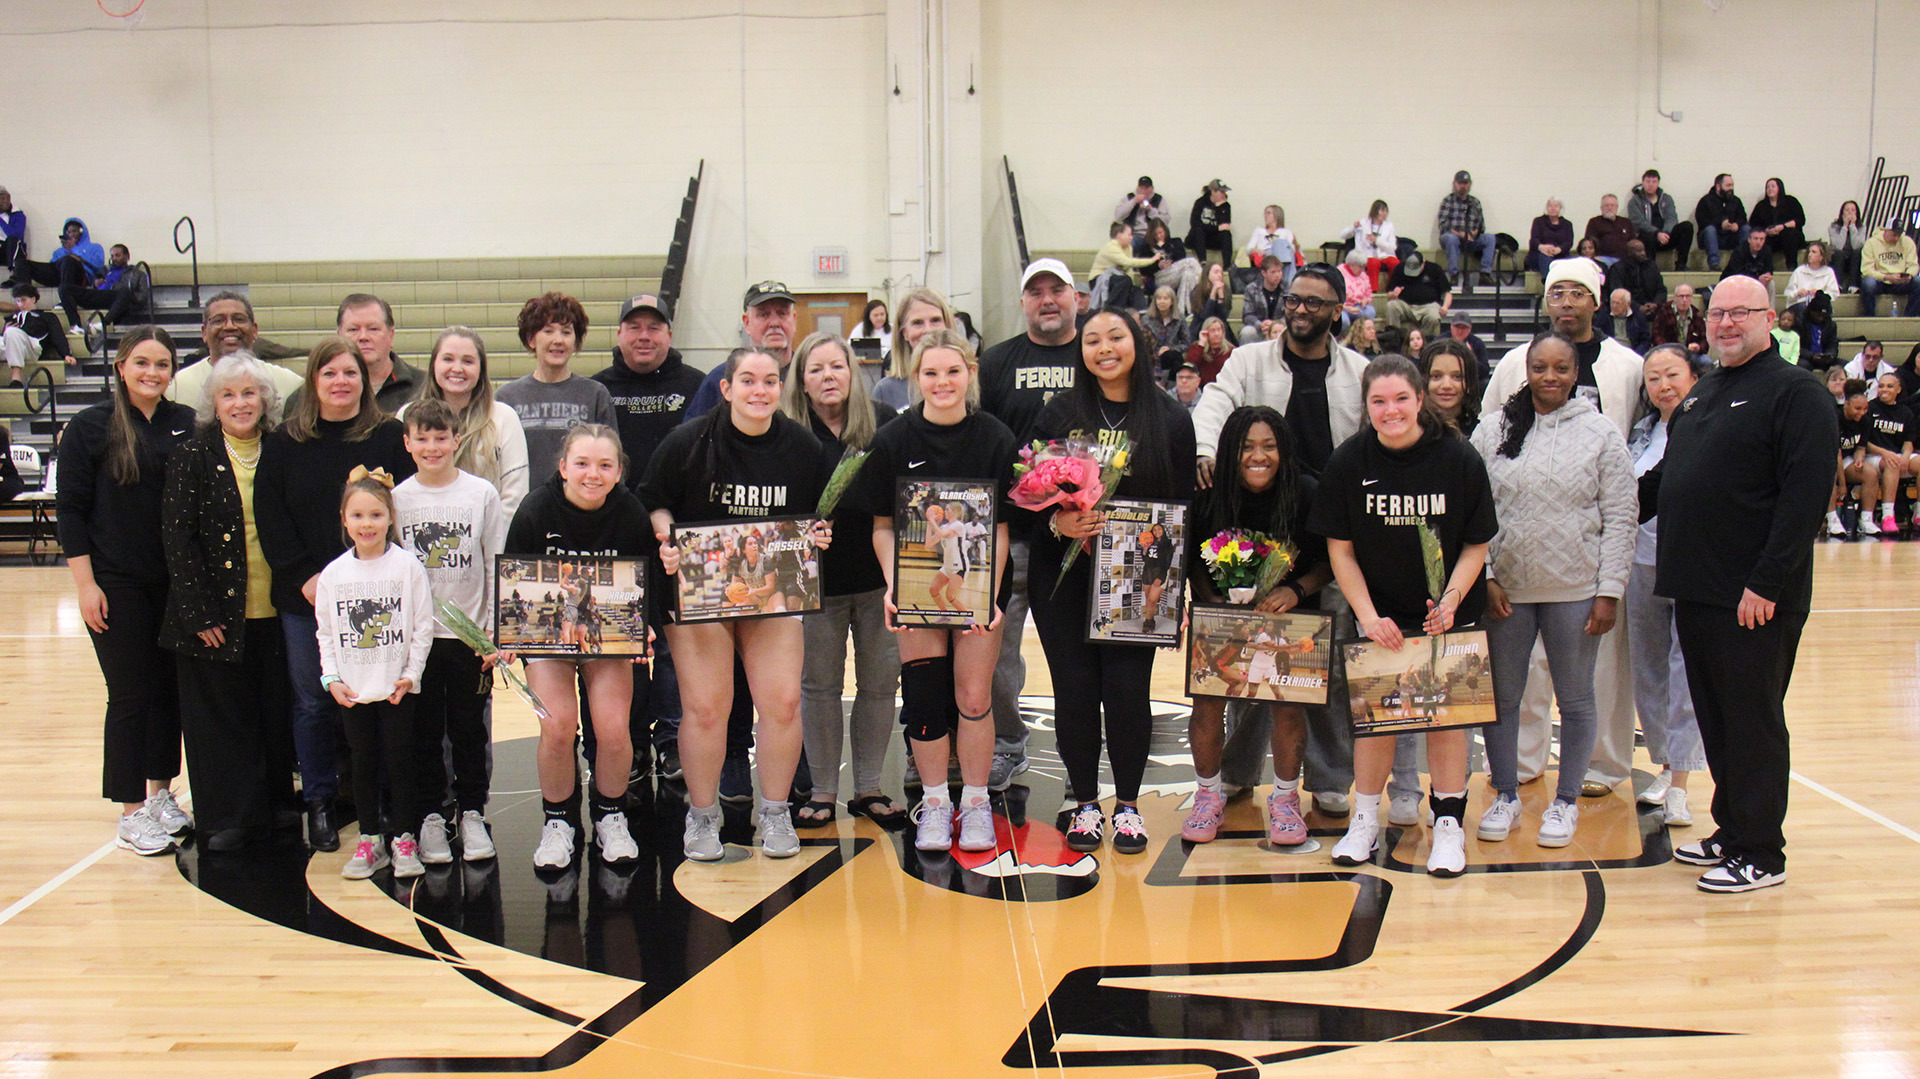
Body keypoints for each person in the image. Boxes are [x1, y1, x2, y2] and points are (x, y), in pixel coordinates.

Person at [1657, 274, 1837, 892]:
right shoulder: (1705, 391)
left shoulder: (1798, 394)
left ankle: (1761, 851)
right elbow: (1668, 480)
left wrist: (1767, 582)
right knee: (1717, 719)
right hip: (1698, 590)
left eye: (1741, 313)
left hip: (1753, 598)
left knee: (1752, 721)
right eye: (1717, 314)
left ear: (1769, 318)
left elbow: (1804, 500)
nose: (1726, 323)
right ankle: (1733, 831)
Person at [1192, 264, 1367, 816]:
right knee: (1249, 657)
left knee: (1326, 666)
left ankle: (1330, 777)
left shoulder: (1358, 371)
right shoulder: (1249, 360)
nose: (1301, 309)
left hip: (1326, 535)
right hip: (1255, 534)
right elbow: (1215, 402)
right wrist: (1205, 450)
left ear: (1337, 310)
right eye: (1294, 299)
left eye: (1314, 302)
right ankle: (1237, 772)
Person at [642, 350, 830, 861]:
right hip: (700, 588)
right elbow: (653, 499)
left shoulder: (803, 447)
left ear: (781, 389)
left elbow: (815, 517)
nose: (759, 390)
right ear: (726, 389)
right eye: (747, 380)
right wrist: (666, 535)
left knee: (783, 702)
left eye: (769, 381)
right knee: (706, 708)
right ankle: (702, 816)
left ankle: (775, 812)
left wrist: (819, 532)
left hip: (771, 589)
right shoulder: (688, 441)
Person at [1316, 356, 1496, 876]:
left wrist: (1452, 600)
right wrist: (1368, 616)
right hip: (1382, 619)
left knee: (1446, 721)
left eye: (1400, 399)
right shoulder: (1349, 462)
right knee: (1375, 725)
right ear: (1366, 405)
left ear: (1420, 399)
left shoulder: (1457, 458)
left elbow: (1477, 543)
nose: (1390, 410)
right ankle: (1364, 821)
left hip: (1449, 617)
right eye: (1378, 401)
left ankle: (1448, 825)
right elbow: (1340, 550)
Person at [1026, 308, 1196, 854]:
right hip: (1063, 580)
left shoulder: (1170, 418)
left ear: (1136, 345)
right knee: (1074, 691)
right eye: (1092, 339)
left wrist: (1175, 590)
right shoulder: (1059, 412)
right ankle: (1083, 803)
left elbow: (1184, 509)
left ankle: (1126, 806)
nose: (1104, 348)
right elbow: (1027, 494)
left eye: (1115, 337)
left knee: (1127, 691)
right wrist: (1058, 523)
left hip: (1138, 579)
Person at [1480, 257, 1642, 800]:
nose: (1567, 302)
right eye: (1557, 293)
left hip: (1580, 570)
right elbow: (1480, 488)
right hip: (1512, 576)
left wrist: (1609, 586)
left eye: (1578, 292)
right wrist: (1486, 572)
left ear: (1596, 301)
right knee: (1511, 691)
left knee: (1586, 688)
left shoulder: (1622, 377)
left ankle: (1593, 773)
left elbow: (1620, 508)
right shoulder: (1501, 406)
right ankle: (1517, 771)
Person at [853, 329, 1016, 853]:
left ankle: (976, 803)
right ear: (914, 377)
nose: (942, 382)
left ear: (970, 373)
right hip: (915, 591)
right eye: (930, 373)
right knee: (923, 697)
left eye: (952, 371)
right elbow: (883, 527)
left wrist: (989, 595)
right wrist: (894, 584)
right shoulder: (892, 441)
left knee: (973, 696)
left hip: (980, 588)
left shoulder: (995, 438)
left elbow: (1002, 530)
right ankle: (936, 802)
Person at [256, 337, 417, 852]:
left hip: (380, 598)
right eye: (329, 373)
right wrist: (307, 578)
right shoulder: (285, 442)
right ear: (313, 381)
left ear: (364, 380)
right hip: (306, 597)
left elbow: (404, 511)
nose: (340, 382)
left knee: (383, 698)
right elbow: (271, 516)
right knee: (314, 702)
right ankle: (320, 802)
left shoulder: (388, 436)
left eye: (349, 372)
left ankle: (385, 800)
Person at [58, 326, 196, 856]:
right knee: (131, 695)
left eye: (162, 364)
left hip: (173, 583)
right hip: (116, 584)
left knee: (168, 693)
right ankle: (130, 810)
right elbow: (70, 511)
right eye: (141, 362)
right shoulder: (90, 427)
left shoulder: (186, 423)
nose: (152, 373)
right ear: (120, 366)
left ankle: (161, 796)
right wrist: (85, 585)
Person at [160, 354, 299, 852]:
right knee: (222, 721)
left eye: (249, 393)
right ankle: (228, 818)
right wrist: (199, 612)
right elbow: (178, 538)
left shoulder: (282, 449)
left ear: (265, 399)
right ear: (213, 403)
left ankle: (277, 806)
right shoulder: (192, 454)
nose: (240, 403)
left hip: (277, 609)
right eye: (228, 394)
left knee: (273, 714)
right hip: (214, 616)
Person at [507, 424, 654, 868]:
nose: (593, 474)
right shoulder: (535, 510)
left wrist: (644, 627)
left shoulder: (631, 513)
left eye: (605, 465)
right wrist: (509, 634)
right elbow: (514, 581)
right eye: (583, 463)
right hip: (550, 632)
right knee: (556, 726)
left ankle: (611, 816)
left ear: (619, 472)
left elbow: (646, 583)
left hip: (607, 634)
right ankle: (558, 823)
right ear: (563, 467)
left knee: (613, 729)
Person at [1180, 406, 1329, 847]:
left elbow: (1330, 560)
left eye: (1269, 446)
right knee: (1208, 702)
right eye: (1247, 447)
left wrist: (1296, 590)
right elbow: (1189, 556)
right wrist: (1212, 600)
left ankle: (1285, 799)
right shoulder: (1210, 494)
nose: (1258, 456)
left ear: (1284, 451)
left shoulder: (1306, 491)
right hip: (1220, 616)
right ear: (1229, 452)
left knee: (1288, 707)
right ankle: (1208, 795)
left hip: (1291, 617)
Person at [779, 332, 905, 829]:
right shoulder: (787, 434)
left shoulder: (885, 424)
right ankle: (823, 790)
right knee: (819, 687)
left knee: (879, 685)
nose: (828, 376)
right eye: (815, 369)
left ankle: (869, 787)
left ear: (853, 373)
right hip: (815, 587)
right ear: (801, 381)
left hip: (879, 582)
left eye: (837, 366)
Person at [977, 259, 1084, 790]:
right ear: (1022, 302)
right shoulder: (997, 361)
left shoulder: (1096, 353)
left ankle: (1080, 755)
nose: (1046, 299)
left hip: (1080, 539)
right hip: (1013, 535)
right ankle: (1008, 744)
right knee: (997, 654)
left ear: (1076, 298)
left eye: (1056, 290)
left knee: (1078, 658)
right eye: (1035, 291)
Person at [392, 399, 508, 865]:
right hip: (419, 643)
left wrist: (494, 630)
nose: (432, 447)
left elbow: (496, 561)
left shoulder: (481, 494)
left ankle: (473, 811)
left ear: (457, 440)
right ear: (407, 443)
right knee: (423, 733)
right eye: (422, 438)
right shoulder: (397, 499)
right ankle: (431, 816)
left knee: (469, 731)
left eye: (441, 437)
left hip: (469, 640)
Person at [317, 469, 435, 880]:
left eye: (376, 515)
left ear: (390, 518)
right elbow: (326, 633)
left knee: (401, 763)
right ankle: (370, 840)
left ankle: (404, 838)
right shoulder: (333, 575)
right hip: (353, 692)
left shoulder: (407, 567)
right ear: (344, 520)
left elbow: (422, 626)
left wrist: (411, 674)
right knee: (362, 765)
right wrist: (331, 679)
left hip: (397, 689)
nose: (367, 524)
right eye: (358, 516)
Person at [1626, 344, 1707, 826]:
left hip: (1693, 563)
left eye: (1672, 374)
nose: (1664, 386)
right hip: (1640, 562)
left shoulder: (1707, 425)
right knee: (1650, 670)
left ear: (1693, 377)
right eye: (1653, 378)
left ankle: (1681, 783)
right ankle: (1664, 763)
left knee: (1685, 671)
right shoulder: (1641, 431)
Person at [401, 327, 530, 515]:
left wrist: (490, 532)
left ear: (481, 369)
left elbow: (515, 496)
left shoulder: (504, 418)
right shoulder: (407, 416)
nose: (457, 368)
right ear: (433, 364)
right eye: (448, 359)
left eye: (468, 361)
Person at [494, 292, 618, 486]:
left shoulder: (595, 394)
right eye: (548, 331)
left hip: (580, 500)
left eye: (566, 332)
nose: (558, 340)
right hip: (523, 502)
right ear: (531, 339)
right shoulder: (507, 397)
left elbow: (611, 458)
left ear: (576, 342)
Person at [166, 292, 305, 421]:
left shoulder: (289, 383)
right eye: (218, 320)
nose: (229, 326)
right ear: (204, 333)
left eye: (239, 319)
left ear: (255, 330)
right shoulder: (177, 386)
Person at [687, 280, 798, 418]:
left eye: (782, 313)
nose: (775, 323)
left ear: (794, 320)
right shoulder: (721, 378)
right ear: (747, 323)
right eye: (764, 314)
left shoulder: (807, 376)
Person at [333, 295, 425, 411]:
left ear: (391, 335)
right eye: (353, 330)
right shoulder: (324, 390)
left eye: (373, 329)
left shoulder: (423, 386)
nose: (363, 337)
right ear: (339, 336)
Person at [873, 288, 955, 411]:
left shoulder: (964, 383)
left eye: (935, 320)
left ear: (948, 326)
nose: (928, 330)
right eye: (917, 323)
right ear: (904, 333)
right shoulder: (885, 390)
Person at [1863, 371, 1919, 534]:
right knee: (1892, 463)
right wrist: (1885, 453)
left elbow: (1908, 442)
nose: (1884, 390)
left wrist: (1906, 456)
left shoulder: (1905, 412)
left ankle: (1918, 513)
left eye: (1889, 386)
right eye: (1881, 386)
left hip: (1896, 455)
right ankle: (1888, 516)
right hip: (1874, 456)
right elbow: (1864, 443)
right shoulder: (1869, 408)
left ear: (1898, 389)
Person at [57, 242, 150, 336]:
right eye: (112, 256)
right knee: (64, 288)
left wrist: (116, 287)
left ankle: (104, 323)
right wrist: (95, 284)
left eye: (117, 255)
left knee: (125, 292)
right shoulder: (104, 270)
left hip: (117, 299)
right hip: (99, 295)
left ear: (127, 257)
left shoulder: (138, 274)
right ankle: (75, 325)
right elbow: (93, 287)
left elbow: (143, 297)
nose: (114, 259)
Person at [1833, 379, 1881, 535]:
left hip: (1847, 458)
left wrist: (1859, 458)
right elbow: (1836, 455)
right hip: (1830, 458)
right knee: (1830, 474)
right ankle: (1832, 519)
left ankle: (1866, 519)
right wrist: (1842, 484)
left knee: (1871, 473)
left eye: (1865, 408)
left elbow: (1861, 447)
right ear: (1846, 404)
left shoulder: (1865, 420)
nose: (1862, 412)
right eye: (1858, 408)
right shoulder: (1835, 419)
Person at [4, 283, 73, 387]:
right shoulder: (12, 318)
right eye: (18, 301)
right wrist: (5, 331)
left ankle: (16, 377)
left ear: (33, 299)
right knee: (9, 332)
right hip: (12, 346)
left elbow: (57, 335)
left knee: (12, 331)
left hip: (32, 346)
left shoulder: (47, 316)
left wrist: (66, 354)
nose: (20, 304)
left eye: (23, 300)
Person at [11, 217, 104, 293]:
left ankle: (66, 297)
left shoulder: (95, 247)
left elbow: (99, 264)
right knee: (21, 263)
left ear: (81, 232)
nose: (72, 234)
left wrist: (74, 250)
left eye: (74, 231)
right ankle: (25, 296)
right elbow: (52, 266)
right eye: (69, 232)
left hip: (80, 277)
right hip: (59, 275)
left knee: (67, 260)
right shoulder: (59, 251)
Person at [1436, 170, 1495, 289]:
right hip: (1453, 238)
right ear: (1454, 184)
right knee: (1451, 238)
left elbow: (1481, 226)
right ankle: (1454, 275)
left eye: (1465, 183)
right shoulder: (1448, 201)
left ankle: (1485, 274)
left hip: (1471, 239)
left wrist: (1473, 234)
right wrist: (1462, 234)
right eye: (1460, 183)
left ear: (1470, 184)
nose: (1463, 186)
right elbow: (1443, 225)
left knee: (1490, 238)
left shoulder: (1475, 202)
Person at [1627, 169, 1694, 269]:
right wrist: (1657, 233)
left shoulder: (1666, 199)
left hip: (1666, 236)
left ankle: (1681, 264)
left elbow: (1672, 217)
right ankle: (1651, 267)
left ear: (1658, 183)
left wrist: (1665, 233)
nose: (1650, 185)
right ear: (1643, 183)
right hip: (1648, 237)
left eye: (1654, 182)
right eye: (1648, 181)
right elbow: (1638, 222)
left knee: (1687, 226)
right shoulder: (1635, 201)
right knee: (1646, 235)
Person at [1785, 242, 1840, 358]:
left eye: (1814, 252)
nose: (1810, 254)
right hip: (1801, 304)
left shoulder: (1828, 272)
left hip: (1818, 306)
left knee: (1824, 308)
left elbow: (1834, 293)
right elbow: (1788, 293)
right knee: (1803, 309)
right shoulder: (1799, 271)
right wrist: (1798, 293)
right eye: (1809, 252)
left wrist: (1820, 294)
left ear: (1821, 256)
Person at [1139, 219, 1202, 318]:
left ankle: (1182, 311)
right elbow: (1143, 269)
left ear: (1165, 230)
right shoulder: (1146, 247)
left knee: (1188, 274)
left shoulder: (1175, 242)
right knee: (1191, 261)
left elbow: (1181, 256)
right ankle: (1202, 284)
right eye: (1155, 234)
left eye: (1160, 233)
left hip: (1176, 273)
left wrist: (1167, 250)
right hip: (1159, 277)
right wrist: (1157, 265)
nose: (1159, 236)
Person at [1380, 252, 1451, 339]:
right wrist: (1393, 294)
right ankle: (1394, 339)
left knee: (1433, 316)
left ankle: (1426, 341)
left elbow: (1447, 292)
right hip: (1406, 306)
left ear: (1423, 263)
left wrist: (1445, 307)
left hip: (1428, 306)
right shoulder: (1400, 268)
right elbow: (1389, 295)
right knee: (1391, 306)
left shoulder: (1434, 269)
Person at [1088, 222, 1157, 310]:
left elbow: (1128, 270)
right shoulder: (1111, 247)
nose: (1131, 237)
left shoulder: (1128, 248)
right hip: (1099, 279)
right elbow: (1127, 262)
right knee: (1125, 280)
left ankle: (1140, 313)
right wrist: (1152, 260)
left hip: (1117, 279)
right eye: (1129, 234)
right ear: (1120, 235)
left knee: (1136, 290)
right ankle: (1112, 309)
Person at [1418, 339, 1481, 435]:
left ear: (1469, 382)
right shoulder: (1411, 431)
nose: (1446, 385)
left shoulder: (1481, 431)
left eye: (1457, 377)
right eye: (1436, 376)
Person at [1861, 219, 1920, 318]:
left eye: (1899, 235)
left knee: (1918, 282)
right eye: (1894, 235)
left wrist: (1909, 275)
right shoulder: (1871, 243)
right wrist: (1886, 277)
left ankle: (1909, 317)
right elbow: (1866, 270)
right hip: (1880, 281)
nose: (1897, 238)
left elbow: (1913, 265)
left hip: (1900, 281)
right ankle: (1870, 317)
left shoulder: (1907, 242)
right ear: (1886, 231)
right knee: (1868, 283)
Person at [1748, 178, 1807, 269]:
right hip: (1771, 237)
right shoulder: (1761, 205)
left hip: (1791, 236)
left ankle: (1791, 267)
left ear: (1780, 188)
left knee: (1789, 234)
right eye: (1768, 187)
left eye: (1773, 186)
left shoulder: (1791, 201)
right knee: (1760, 240)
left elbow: (1800, 220)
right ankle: (1763, 269)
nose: (1770, 189)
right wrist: (1766, 231)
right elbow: (1753, 223)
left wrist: (1783, 227)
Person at [1694, 173, 1749, 271]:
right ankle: (1714, 263)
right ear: (1718, 187)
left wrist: (1737, 224)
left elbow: (1743, 217)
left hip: (1730, 236)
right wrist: (1720, 225)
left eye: (1732, 185)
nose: (1731, 188)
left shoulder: (1736, 201)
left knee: (1746, 229)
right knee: (1710, 230)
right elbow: (1702, 221)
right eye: (1728, 185)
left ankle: (1744, 261)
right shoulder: (1706, 201)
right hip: (1712, 238)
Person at [1341, 200, 1400, 290]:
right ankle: (1373, 290)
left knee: (1395, 263)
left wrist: (1377, 241)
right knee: (1373, 263)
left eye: (1386, 211)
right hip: (1368, 254)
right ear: (1375, 211)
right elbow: (1343, 235)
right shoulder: (1363, 223)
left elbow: (1393, 247)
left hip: (1384, 254)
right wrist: (1353, 227)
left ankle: (1393, 288)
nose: (1384, 214)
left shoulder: (1389, 226)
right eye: (1382, 211)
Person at [1603, 238, 1667, 312]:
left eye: (1644, 250)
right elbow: (1616, 292)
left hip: (1652, 307)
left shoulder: (1651, 266)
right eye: (1639, 251)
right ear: (1629, 253)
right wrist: (1638, 307)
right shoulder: (1617, 269)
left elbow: (1661, 289)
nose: (1643, 253)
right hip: (1627, 309)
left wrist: (1655, 303)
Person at [1245, 205, 1300, 287]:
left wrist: (1294, 243)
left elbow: (1292, 249)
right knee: (1272, 251)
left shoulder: (1286, 232)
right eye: (1265, 213)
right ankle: (1287, 285)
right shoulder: (1259, 231)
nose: (1265, 216)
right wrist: (1257, 250)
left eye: (1268, 213)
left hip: (1283, 256)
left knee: (1285, 250)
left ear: (1276, 215)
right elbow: (1248, 249)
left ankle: (1288, 285)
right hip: (1266, 255)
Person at [1142, 286, 1191, 377]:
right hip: (1153, 356)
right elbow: (1144, 344)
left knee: (1172, 357)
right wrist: (1157, 351)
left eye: (1165, 298)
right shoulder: (1146, 319)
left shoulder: (1179, 318)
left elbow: (1186, 343)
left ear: (1172, 301)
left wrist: (1170, 348)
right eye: (1159, 298)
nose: (1162, 301)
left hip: (1173, 356)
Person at [1240, 254, 1288, 345]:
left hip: (1280, 328)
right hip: (1259, 329)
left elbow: (1290, 314)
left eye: (1279, 271)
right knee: (1247, 332)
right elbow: (1247, 315)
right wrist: (1260, 324)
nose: (1277, 275)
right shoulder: (1252, 289)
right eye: (1273, 272)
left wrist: (1275, 324)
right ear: (1264, 273)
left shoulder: (1287, 289)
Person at [1185, 179, 1234, 268]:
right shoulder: (1200, 203)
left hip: (1213, 239)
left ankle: (1227, 266)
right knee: (1198, 230)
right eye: (1221, 192)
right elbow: (1195, 223)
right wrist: (1216, 228)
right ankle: (1203, 261)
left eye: (1224, 192)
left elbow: (1225, 226)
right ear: (1213, 192)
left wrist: (1219, 208)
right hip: (1198, 238)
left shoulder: (1225, 206)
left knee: (1226, 234)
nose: (1224, 195)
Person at [1651, 283, 1707, 354]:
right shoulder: (1664, 311)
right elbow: (1656, 335)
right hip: (1668, 352)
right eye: (1681, 296)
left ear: (1691, 298)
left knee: (1705, 360)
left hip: (1691, 353)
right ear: (1674, 297)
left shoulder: (1696, 314)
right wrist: (1667, 349)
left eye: (1687, 296)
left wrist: (1699, 347)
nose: (1684, 300)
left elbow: (1704, 338)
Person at [848, 298, 892, 383]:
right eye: (875, 315)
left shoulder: (893, 329)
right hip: (865, 370)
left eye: (882, 314)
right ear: (869, 316)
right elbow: (850, 348)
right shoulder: (860, 329)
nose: (879, 318)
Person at [1596, 288, 1653, 354]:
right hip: (1610, 352)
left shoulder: (1638, 317)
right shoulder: (1603, 316)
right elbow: (1598, 336)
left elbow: (1645, 341)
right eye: (1612, 302)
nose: (1614, 306)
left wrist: (1635, 354)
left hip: (1632, 352)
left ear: (1628, 304)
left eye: (1618, 303)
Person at [1526, 198, 1574, 276]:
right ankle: (1547, 280)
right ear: (1546, 208)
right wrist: (1542, 247)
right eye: (1550, 206)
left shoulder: (1567, 224)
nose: (1553, 208)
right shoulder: (1538, 221)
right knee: (1545, 258)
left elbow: (1569, 243)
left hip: (1560, 254)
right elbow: (1533, 241)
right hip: (1540, 254)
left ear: (1561, 208)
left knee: (1571, 262)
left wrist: (1559, 249)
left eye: (1556, 206)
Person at [1583, 194, 1635, 266]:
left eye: (1612, 205)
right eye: (1606, 205)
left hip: (1624, 259)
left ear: (1617, 207)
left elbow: (1633, 241)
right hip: (1603, 259)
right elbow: (1589, 243)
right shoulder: (1594, 222)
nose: (1609, 208)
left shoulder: (1626, 222)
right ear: (1601, 208)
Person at [1828, 200, 1867, 293]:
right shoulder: (1833, 227)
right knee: (1839, 253)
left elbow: (1856, 245)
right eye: (1847, 210)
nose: (1850, 213)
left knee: (1857, 252)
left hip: (1853, 258)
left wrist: (1852, 226)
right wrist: (1845, 226)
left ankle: (1853, 286)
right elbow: (1839, 246)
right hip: (1838, 258)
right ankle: (1838, 285)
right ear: (1842, 213)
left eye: (1853, 210)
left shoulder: (1862, 227)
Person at [1187, 261, 1233, 338]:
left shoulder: (1226, 290)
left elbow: (1223, 316)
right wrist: (1213, 295)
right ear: (1207, 274)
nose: (1219, 275)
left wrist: (1221, 297)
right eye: (1216, 272)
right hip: (1200, 327)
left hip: (1219, 326)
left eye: (1221, 273)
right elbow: (1205, 316)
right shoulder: (1197, 291)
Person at [1185, 316, 1233, 384]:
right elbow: (1189, 365)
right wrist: (1202, 344)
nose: (1217, 334)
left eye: (1219, 330)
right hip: (1202, 386)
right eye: (1212, 331)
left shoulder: (1231, 350)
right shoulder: (1197, 347)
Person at [1338, 250, 1375, 328]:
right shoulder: (1338, 273)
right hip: (1342, 308)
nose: (1363, 269)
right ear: (1351, 265)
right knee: (1343, 321)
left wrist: (1366, 300)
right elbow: (1333, 299)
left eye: (1364, 266)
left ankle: (1361, 335)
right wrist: (1346, 308)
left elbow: (1368, 294)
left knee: (1370, 312)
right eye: (1360, 266)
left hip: (1358, 307)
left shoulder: (1363, 276)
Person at [1445, 312, 1488, 378]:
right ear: (1451, 327)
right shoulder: (1440, 341)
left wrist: (1470, 357)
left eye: (1464, 328)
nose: (1460, 331)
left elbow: (1485, 371)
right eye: (1457, 327)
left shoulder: (1477, 343)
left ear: (1470, 329)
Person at [0, 187, 23, 273]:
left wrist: (0, 221)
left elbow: (15, 234)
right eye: (2, 199)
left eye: (8, 199)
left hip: (12, 248)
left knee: (12, 240)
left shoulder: (18, 214)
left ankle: (13, 272)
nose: (6, 201)